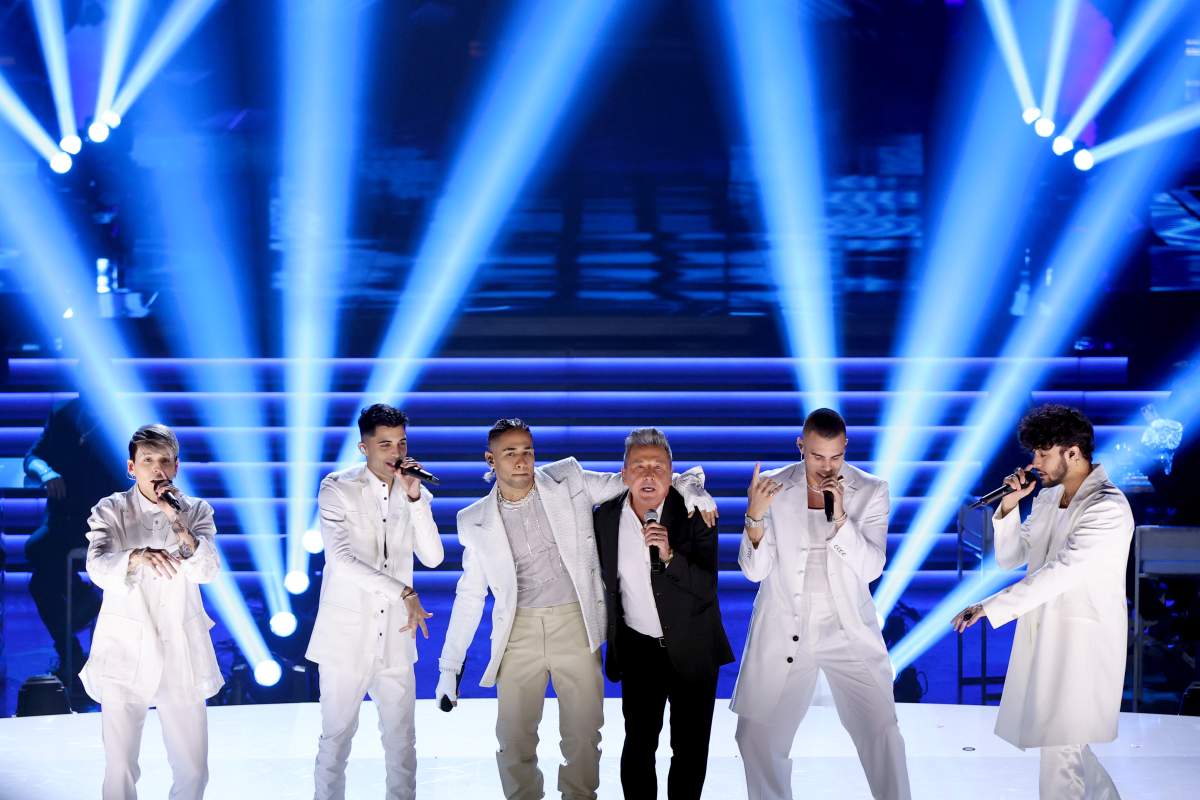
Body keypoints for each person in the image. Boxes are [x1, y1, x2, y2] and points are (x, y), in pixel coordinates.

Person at [436, 419, 715, 800]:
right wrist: (449, 667)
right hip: (518, 631)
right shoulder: (474, 520)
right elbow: (469, 595)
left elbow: (638, 477)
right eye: (510, 452)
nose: (521, 460)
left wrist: (690, 485)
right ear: (490, 459)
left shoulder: (567, 479)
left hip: (575, 622)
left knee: (583, 737)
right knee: (514, 739)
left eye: (527, 450)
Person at [953, 404, 1133, 799]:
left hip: (1082, 643)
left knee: (1061, 750)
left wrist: (989, 606)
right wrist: (1009, 505)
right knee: (1069, 748)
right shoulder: (1050, 498)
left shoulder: (1107, 507)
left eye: (1042, 453)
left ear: (1073, 452)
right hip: (1046, 636)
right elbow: (1012, 557)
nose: (1034, 464)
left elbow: (1061, 573)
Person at [731, 408, 911, 800]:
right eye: (816, 456)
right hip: (785, 625)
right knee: (755, 736)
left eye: (835, 457)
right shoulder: (773, 487)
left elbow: (871, 568)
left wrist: (841, 516)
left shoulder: (871, 490)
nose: (827, 467)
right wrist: (754, 517)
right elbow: (754, 572)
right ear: (800, 446)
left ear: (846, 448)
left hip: (846, 628)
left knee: (881, 731)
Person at [306, 404, 444, 800]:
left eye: (401, 443)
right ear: (364, 447)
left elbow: (433, 557)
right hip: (346, 637)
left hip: (396, 636)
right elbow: (341, 560)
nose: (395, 452)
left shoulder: (414, 493)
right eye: (385, 444)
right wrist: (403, 592)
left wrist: (415, 497)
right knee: (336, 738)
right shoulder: (337, 487)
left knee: (402, 742)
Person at [81, 424, 223, 800]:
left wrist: (176, 519)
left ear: (176, 466)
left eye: (165, 460)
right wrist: (137, 556)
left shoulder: (197, 511)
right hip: (125, 647)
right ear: (132, 467)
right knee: (121, 768)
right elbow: (97, 568)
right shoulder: (110, 509)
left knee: (194, 769)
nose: (157, 469)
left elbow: (207, 571)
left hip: (180, 648)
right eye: (148, 461)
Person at [593, 427, 733, 800]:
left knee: (690, 749)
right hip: (639, 649)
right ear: (624, 473)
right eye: (639, 466)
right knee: (639, 745)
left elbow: (707, 587)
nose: (649, 475)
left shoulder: (697, 512)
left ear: (671, 474)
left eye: (658, 466)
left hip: (693, 647)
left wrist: (670, 557)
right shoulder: (605, 518)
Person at [23, 395, 128, 691]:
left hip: (100, 521)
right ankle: (82, 603)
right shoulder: (63, 413)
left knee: (39, 570)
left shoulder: (117, 419)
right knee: (40, 572)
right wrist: (46, 472)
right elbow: (32, 457)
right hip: (63, 517)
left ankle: (71, 651)